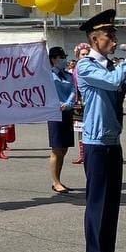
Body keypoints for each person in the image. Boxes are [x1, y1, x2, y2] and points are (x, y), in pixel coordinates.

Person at [75, 10, 126, 252]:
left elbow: (123, 84)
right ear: (94, 39)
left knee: (112, 204)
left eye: (114, 36)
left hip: (112, 141)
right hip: (96, 142)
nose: (114, 41)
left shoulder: (112, 66)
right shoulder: (86, 66)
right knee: (98, 203)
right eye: (109, 36)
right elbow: (113, 82)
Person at [46, 46, 76, 194]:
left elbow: (72, 90)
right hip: (55, 112)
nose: (63, 60)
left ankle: (59, 179)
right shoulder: (48, 75)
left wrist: (69, 103)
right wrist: (58, 104)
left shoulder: (68, 75)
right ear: (53, 59)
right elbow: (47, 92)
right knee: (56, 148)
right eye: (60, 57)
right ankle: (55, 181)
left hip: (67, 111)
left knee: (64, 149)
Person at [69, 42, 89, 166]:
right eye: (82, 54)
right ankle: (82, 154)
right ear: (78, 55)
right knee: (80, 129)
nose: (85, 56)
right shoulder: (74, 71)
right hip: (79, 102)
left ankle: (90, 154)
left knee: (90, 128)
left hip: (91, 101)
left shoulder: (94, 67)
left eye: (87, 54)